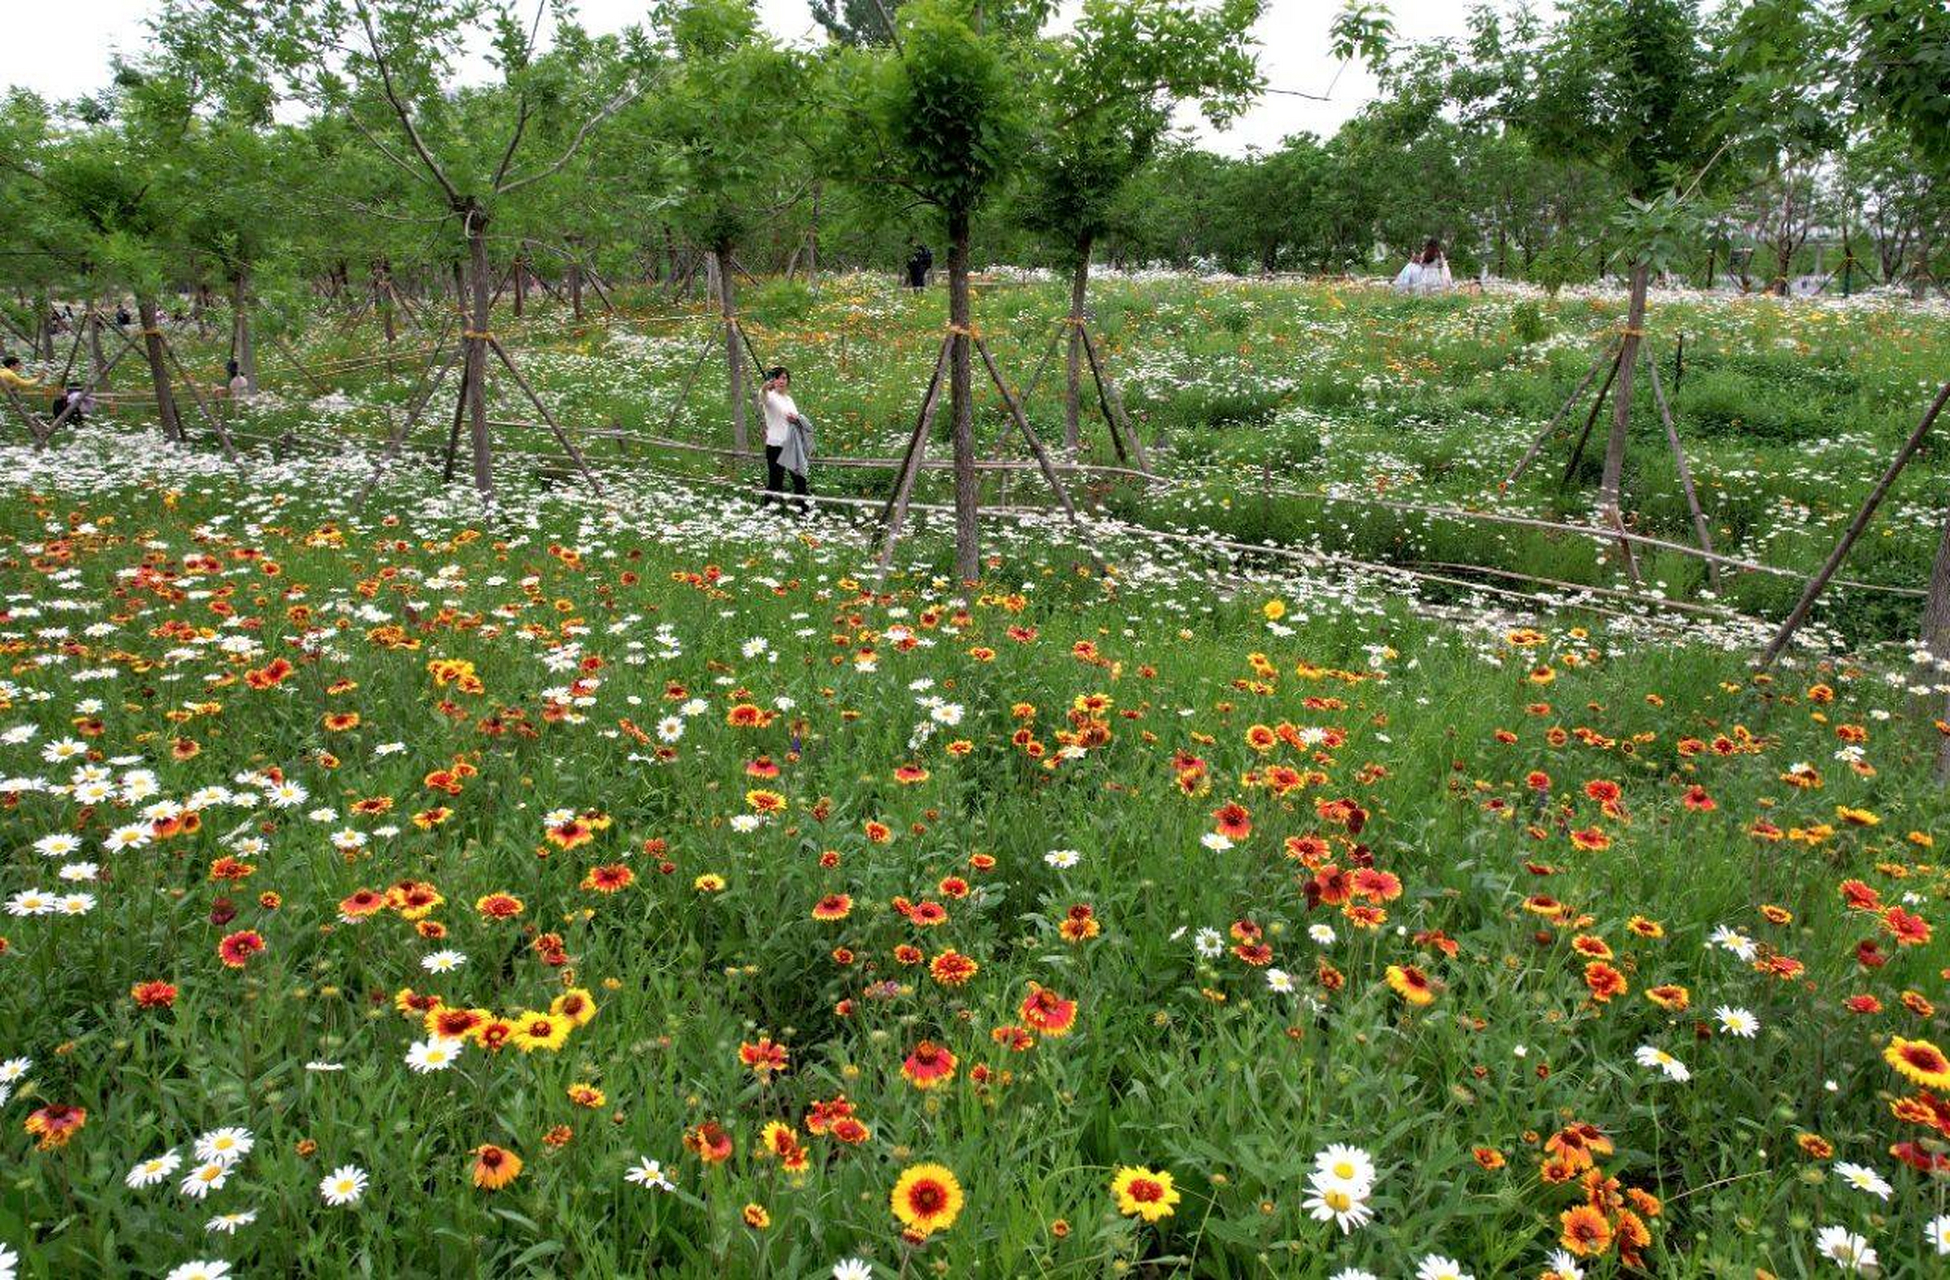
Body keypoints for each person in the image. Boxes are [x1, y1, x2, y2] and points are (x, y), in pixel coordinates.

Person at [759, 366, 811, 513]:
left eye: (784, 378)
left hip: (792, 444)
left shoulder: (789, 399)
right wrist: (764, 388)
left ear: (788, 381)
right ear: (772, 380)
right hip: (775, 444)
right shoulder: (769, 396)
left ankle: (803, 510)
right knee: (776, 482)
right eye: (777, 378)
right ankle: (766, 510)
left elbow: (796, 418)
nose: (781, 381)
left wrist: (796, 419)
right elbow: (762, 396)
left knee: (800, 479)